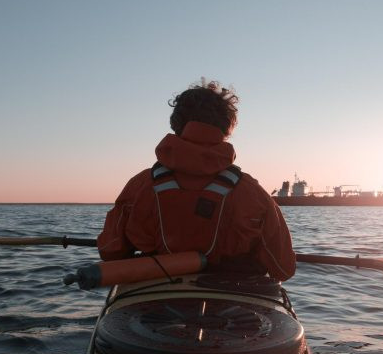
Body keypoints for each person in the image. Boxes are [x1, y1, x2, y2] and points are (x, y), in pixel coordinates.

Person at [96, 79, 296, 281]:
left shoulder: (139, 186)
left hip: (152, 292)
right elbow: (283, 268)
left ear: (176, 124)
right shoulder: (252, 193)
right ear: (227, 128)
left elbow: (110, 251)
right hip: (231, 293)